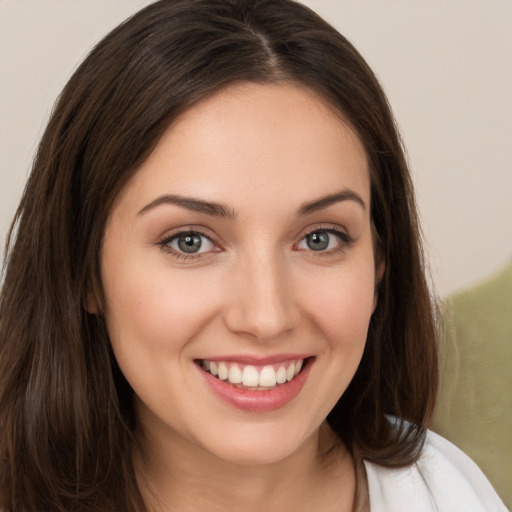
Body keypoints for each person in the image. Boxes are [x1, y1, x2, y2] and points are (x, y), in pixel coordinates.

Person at [0, 0, 506, 510]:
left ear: (379, 264)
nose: (266, 317)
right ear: (85, 270)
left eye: (319, 238)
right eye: (190, 241)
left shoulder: (452, 496)